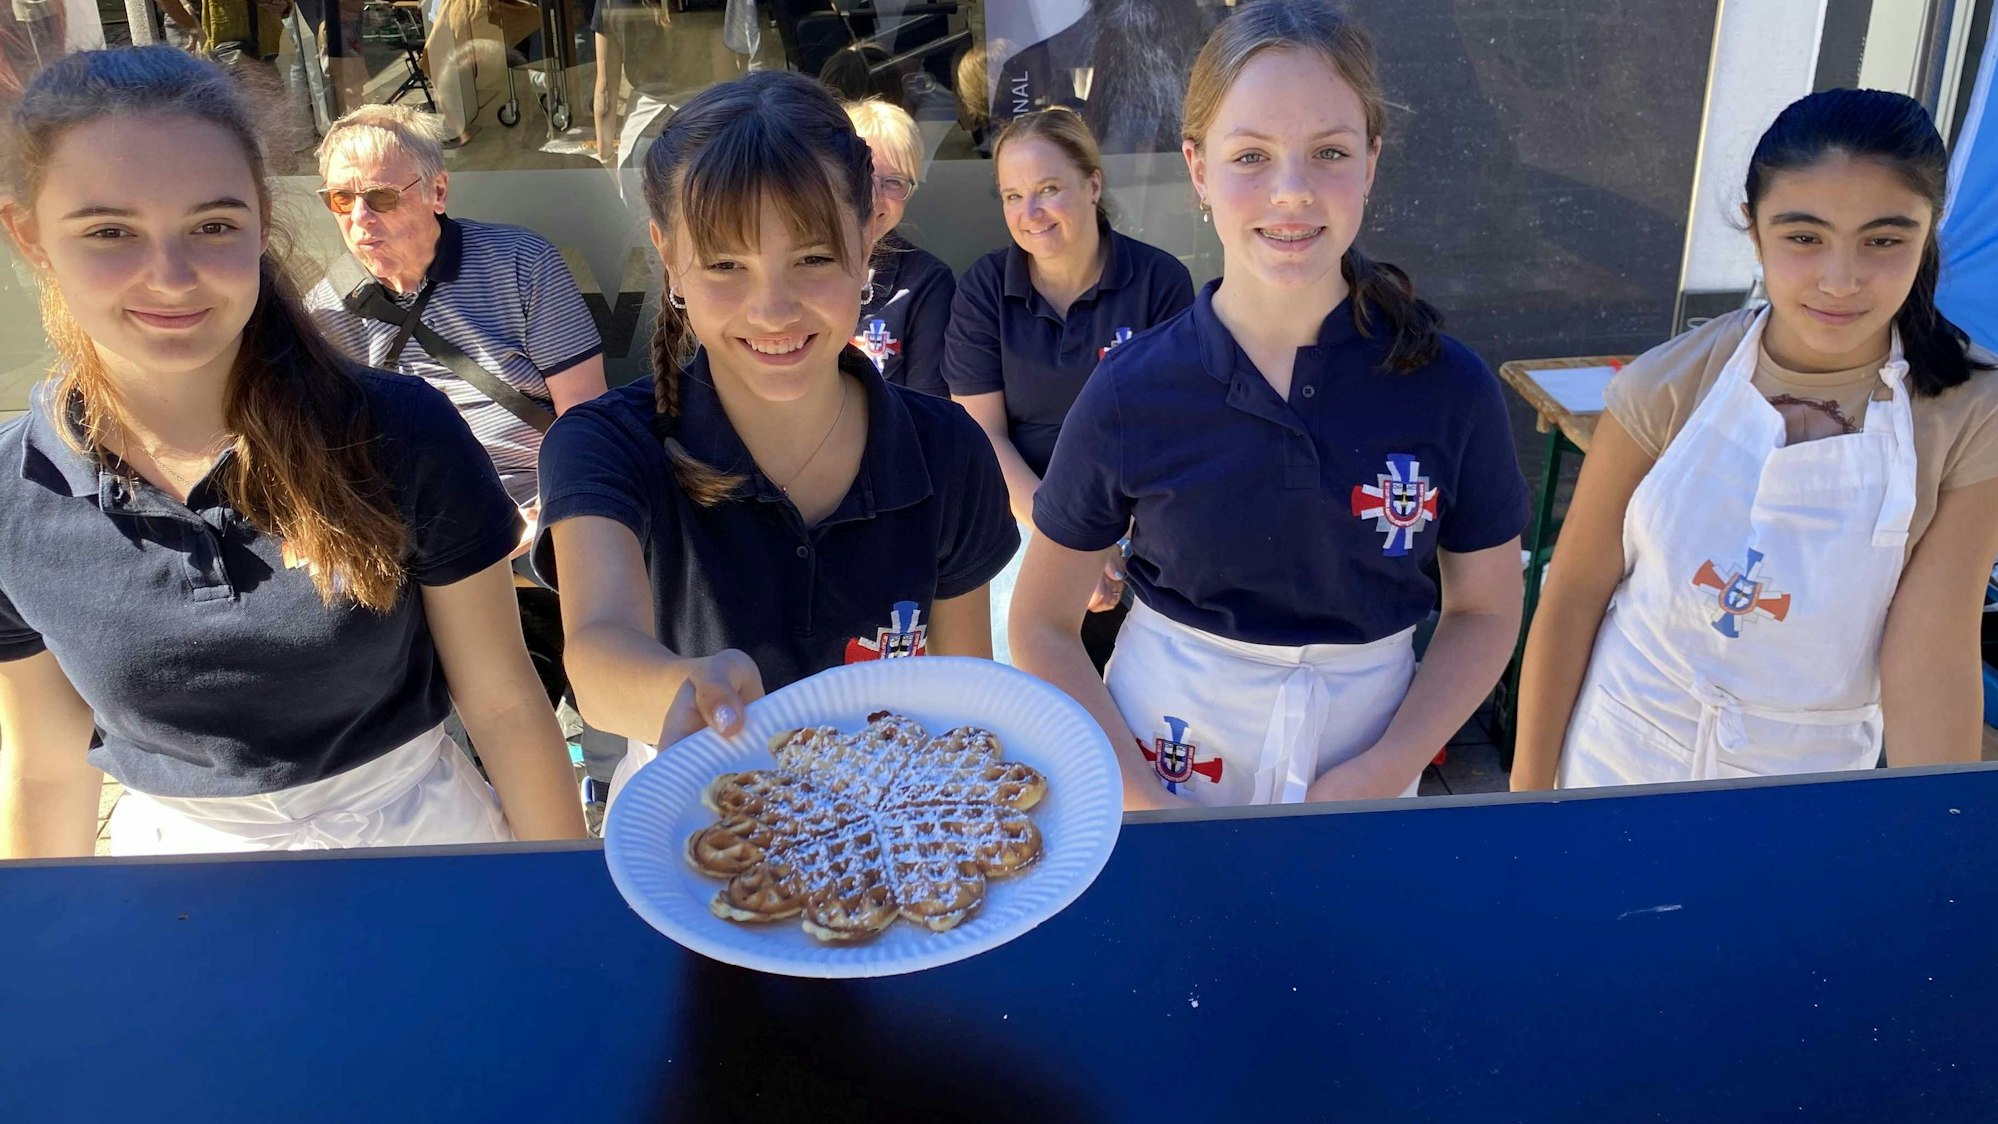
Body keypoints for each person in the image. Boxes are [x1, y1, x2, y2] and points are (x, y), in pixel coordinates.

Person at [0, 47, 586, 857]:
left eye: (213, 225)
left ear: (262, 226)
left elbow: (505, 706)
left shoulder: (401, 434)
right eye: (110, 231)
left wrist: (558, 903)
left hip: (419, 848)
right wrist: (40, 959)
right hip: (177, 892)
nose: (171, 276)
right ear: (28, 237)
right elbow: (45, 770)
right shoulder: (11, 501)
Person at [1011, 0, 1528, 811]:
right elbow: (1040, 623)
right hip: (1163, 771)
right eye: (1252, 154)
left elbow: (1487, 607)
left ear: (1371, 162)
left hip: (1365, 774)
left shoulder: (1449, 389)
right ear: (1199, 168)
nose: (1292, 193)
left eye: (1328, 151)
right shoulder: (1131, 394)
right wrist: (1140, 796)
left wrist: (1391, 762)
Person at [535, 70, 1017, 793]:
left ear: (868, 237)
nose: (773, 310)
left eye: (812, 259)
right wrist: (688, 690)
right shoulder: (605, 446)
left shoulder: (946, 451)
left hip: (899, 810)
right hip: (697, 818)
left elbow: (961, 693)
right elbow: (599, 653)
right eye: (727, 264)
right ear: (670, 260)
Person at [1512, 89, 1998, 790]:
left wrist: (1937, 844)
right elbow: (1576, 592)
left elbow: (1931, 650)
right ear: (1753, 227)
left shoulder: (1969, 415)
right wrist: (1527, 803)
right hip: (1619, 759)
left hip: (1807, 788)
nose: (1841, 279)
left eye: (1884, 240)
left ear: (1931, 230)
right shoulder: (1667, 385)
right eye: (1804, 237)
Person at [942, 106, 1193, 668]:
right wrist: (1070, 544)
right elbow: (983, 438)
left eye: (1048, 189)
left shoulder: (1158, 282)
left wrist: (1112, 540)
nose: (1028, 213)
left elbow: (1175, 437)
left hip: (1138, 522)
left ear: (1093, 185)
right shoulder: (984, 288)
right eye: (1011, 195)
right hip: (1022, 515)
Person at [844, 97, 954, 397]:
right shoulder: (794, 266)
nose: (875, 196)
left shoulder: (926, 282)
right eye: (863, 175)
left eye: (894, 182)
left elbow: (926, 409)